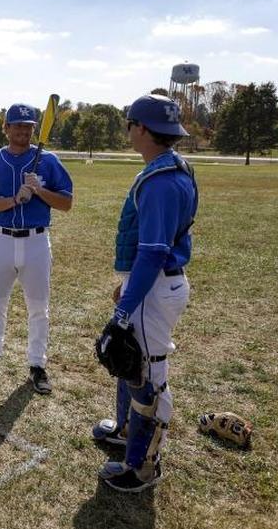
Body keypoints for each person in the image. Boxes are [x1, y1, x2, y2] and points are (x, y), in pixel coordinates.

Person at [92, 94, 199, 492]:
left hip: (154, 287)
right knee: (130, 363)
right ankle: (124, 430)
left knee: (148, 379)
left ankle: (142, 467)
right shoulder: (172, 168)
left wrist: (123, 310)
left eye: (130, 124)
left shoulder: (161, 181)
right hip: (152, 283)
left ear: (140, 129)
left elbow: (153, 252)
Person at [0, 103, 73, 394]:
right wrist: (14, 199)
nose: (23, 131)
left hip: (37, 241)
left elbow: (66, 203)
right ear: (6, 128)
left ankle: (37, 365)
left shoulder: (49, 161)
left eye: (28, 126)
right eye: (17, 125)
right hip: (1, 240)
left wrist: (39, 190)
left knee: (39, 308)